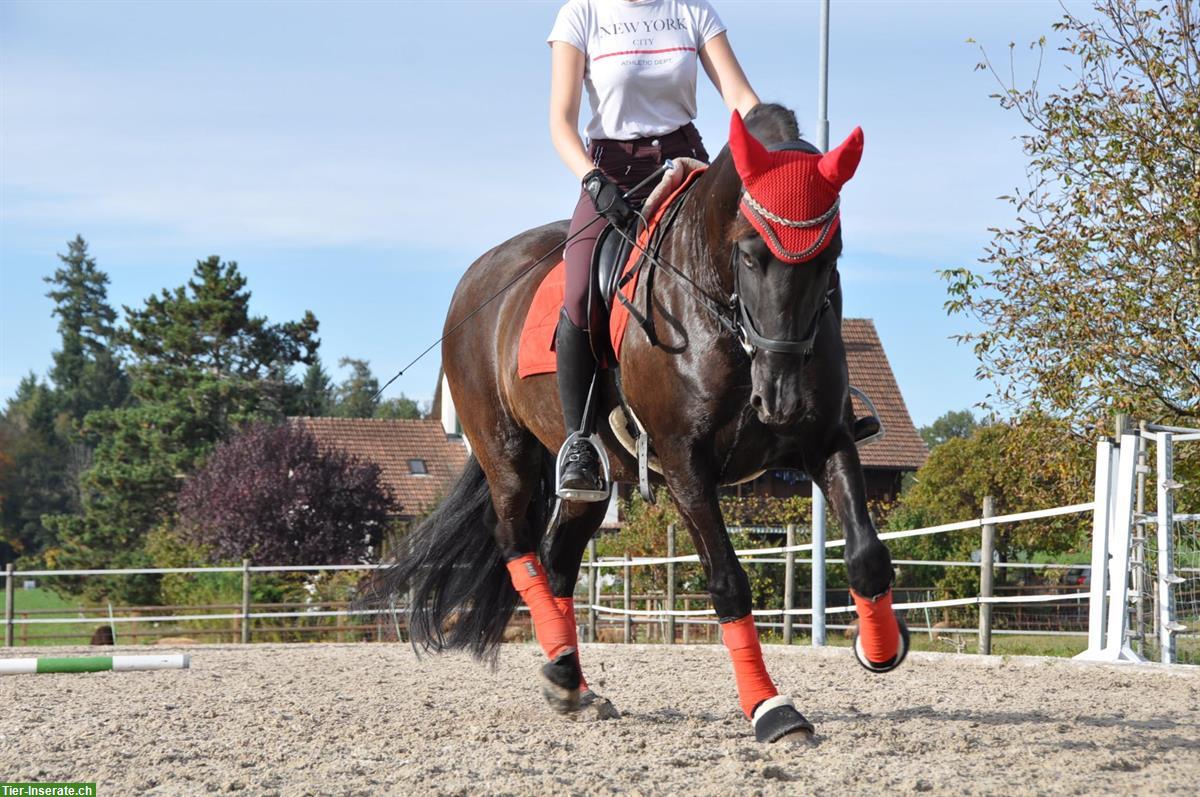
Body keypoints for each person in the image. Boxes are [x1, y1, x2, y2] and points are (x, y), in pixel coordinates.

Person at [548, 0, 760, 499]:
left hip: (689, 164)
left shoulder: (692, 10)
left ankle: (818, 402)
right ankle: (580, 444)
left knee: (770, 251)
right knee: (579, 291)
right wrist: (592, 180)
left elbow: (739, 95)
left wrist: (776, 138)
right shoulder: (580, 14)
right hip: (612, 174)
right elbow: (561, 121)